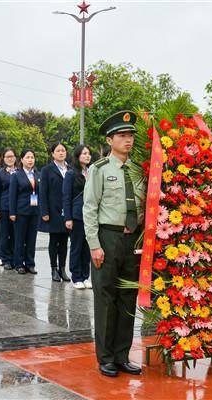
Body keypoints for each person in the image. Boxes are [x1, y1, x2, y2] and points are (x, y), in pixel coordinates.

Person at [83, 110, 144, 377]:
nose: (128, 140)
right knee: (106, 298)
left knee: (127, 298)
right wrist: (94, 244)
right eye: (122, 135)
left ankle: (122, 355)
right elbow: (89, 208)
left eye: (130, 135)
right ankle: (106, 357)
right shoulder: (99, 170)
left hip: (133, 239)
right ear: (110, 140)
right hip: (108, 238)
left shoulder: (139, 170)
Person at [39, 142, 71, 282]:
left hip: (67, 210)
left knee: (64, 241)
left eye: (63, 150)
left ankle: (63, 269)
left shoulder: (70, 169)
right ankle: (53, 269)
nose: (61, 153)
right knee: (54, 240)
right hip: (53, 210)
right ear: (53, 153)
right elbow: (43, 192)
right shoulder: (47, 170)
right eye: (58, 151)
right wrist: (44, 211)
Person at [63, 144, 92, 289]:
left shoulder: (92, 172)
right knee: (76, 246)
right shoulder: (71, 173)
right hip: (76, 215)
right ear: (77, 156)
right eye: (84, 153)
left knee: (87, 247)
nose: (87, 156)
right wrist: (68, 218)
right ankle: (76, 276)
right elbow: (66, 197)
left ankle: (86, 275)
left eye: (88, 153)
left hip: (90, 215)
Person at [9, 149, 40, 275]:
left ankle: (30, 263)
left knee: (32, 239)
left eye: (32, 157)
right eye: (27, 157)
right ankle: (18, 263)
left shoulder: (38, 175)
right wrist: (12, 212)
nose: (30, 160)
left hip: (34, 211)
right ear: (21, 160)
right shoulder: (16, 175)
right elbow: (12, 195)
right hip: (21, 211)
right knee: (20, 239)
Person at [0, 148, 16, 270]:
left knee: (15, 235)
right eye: (7, 157)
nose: (10, 158)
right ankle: (5, 259)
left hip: (17, 209)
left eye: (12, 156)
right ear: (4, 158)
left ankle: (14, 257)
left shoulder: (19, 171)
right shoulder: (0, 173)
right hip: (4, 207)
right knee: (4, 234)